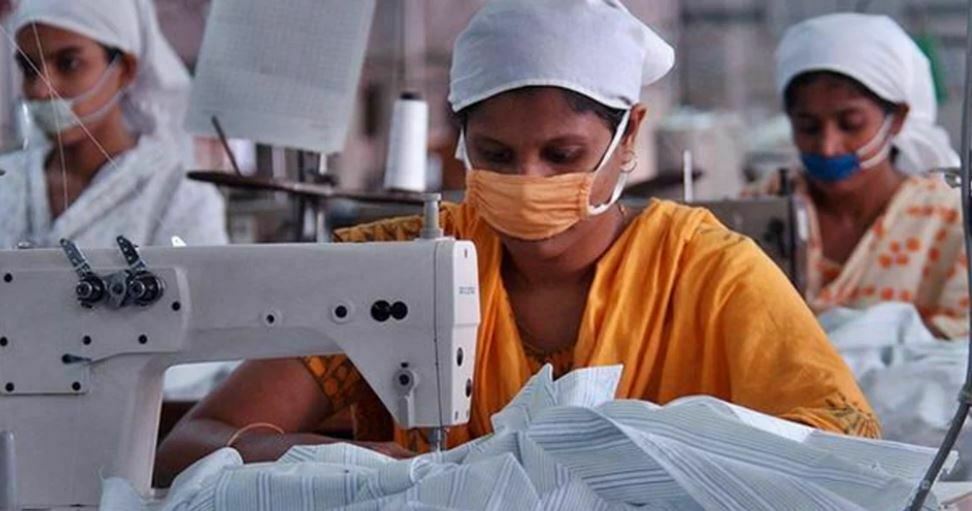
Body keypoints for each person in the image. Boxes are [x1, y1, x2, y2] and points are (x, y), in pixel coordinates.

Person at [155, 0, 877, 486]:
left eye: (562, 156)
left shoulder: (711, 272)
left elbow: (845, 450)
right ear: (459, 141)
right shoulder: (402, 266)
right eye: (496, 156)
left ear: (629, 135)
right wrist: (354, 463)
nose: (528, 182)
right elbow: (193, 440)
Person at [770, 13, 968, 338]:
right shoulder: (756, 209)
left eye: (851, 124)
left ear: (897, 119)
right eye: (808, 126)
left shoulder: (951, 222)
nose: (828, 146)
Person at [0, 0, 227, 249]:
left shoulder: (178, 196)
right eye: (29, 68)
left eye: (69, 64)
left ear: (125, 70)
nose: (41, 90)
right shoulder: (8, 181)